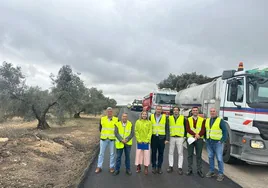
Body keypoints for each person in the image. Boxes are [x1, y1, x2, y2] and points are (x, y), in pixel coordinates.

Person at [205, 108, 227, 182]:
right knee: (210, 157)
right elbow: (206, 130)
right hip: (209, 142)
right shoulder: (207, 120)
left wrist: (222, 141)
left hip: (217, 142)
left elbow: (225, 131)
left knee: (219, 158)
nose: (212, 112)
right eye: (211, 111)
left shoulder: (220, 121)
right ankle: (211, 171)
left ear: (216, 112)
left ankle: (221, 173)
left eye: (213, 111)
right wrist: (205, 138)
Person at [95, 107, 119, 174]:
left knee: (112, 154)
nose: (109, 112)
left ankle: (111, 167)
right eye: (108, 111)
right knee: (101, 153)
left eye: (111, 111)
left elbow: (117, 129)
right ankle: (99, 167)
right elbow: (100, 128)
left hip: (112, 139)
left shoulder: (116, 119)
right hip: (103, 139)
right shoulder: (102, 119)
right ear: (106, 112)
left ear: (112, 112)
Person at [186, 106, 206, 178]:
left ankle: (199, 170)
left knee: (199, 155)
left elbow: (203, 129)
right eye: (193, 110)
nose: (195, 111)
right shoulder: (188, 119)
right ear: (192, 111)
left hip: (199, 139)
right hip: (191, 138)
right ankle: (189, 169)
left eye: (196, 110)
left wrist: (199, 135)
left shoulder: (202, 120)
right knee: (190, 155)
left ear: (198, 111)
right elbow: (188, 129)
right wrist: (195, 135)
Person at [149, 105, 169, 174]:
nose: (158, 110)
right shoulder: (151, 116)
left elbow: (167, 128)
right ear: (155, 109)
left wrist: (167, 139)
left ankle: (159, 167)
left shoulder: (165, 117)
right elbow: (149, 127)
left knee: (161, 153)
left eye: (160, 109)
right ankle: (154, 167)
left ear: (161, 110)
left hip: (162, 138)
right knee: (153, 153)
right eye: (157, 109)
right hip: (153, 137)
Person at [167, 107, 186, 175]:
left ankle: (180, 167)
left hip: (180, 137)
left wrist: (185, 137)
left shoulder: (183, 118)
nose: (175, 111)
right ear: (173, 111)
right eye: (174, 110)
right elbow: (167, 128)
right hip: (172, 137)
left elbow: (186, 127)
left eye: (177, 110)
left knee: (180, 153)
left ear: (179, 111)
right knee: (170, 152)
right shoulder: (169, 118)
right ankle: (170, 166)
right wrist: (167, 138)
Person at [135, 111, 152, 175]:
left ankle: (146, 167)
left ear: (147, 115)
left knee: (146, 155)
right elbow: (136, 131)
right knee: (138, 155)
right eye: (143, 114)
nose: (144, 115)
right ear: (141, 115)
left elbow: (150, 131)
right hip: (139, 141)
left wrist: (147, 140)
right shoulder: (137, 122)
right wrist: (138, 139)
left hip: (146, 142)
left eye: (145, 114)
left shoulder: (149, 122)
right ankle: (138, 167)